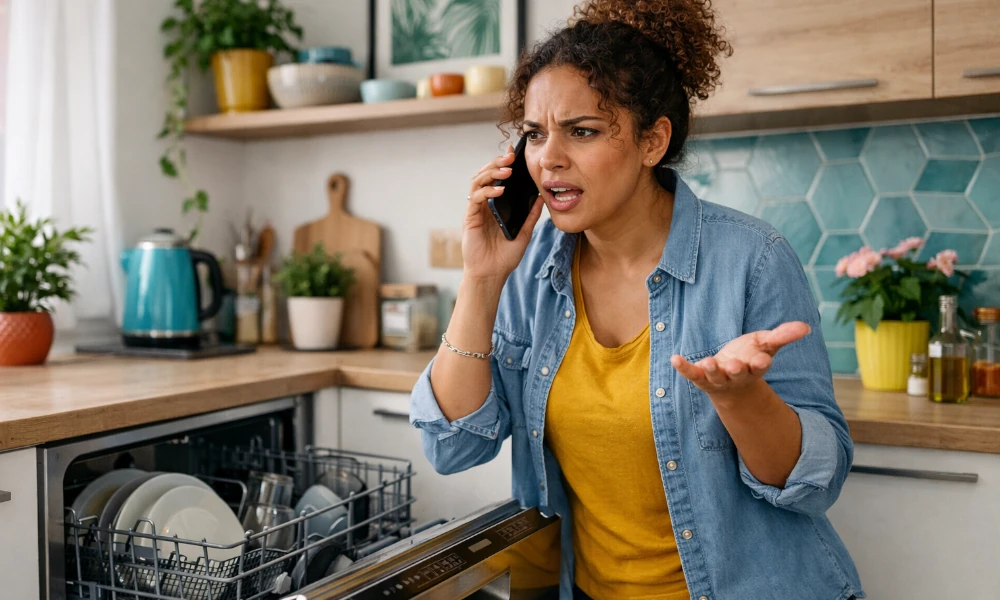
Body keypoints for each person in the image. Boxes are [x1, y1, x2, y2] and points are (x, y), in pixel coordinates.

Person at [409, 0, 864, 598]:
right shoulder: (528, 269)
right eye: (534, 134)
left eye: (582, 131)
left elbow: (815, 484)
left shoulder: (752, 259)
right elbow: (452, 447)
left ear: (653, 141)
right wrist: (482, 277)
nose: (548, 158)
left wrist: (743, 399)